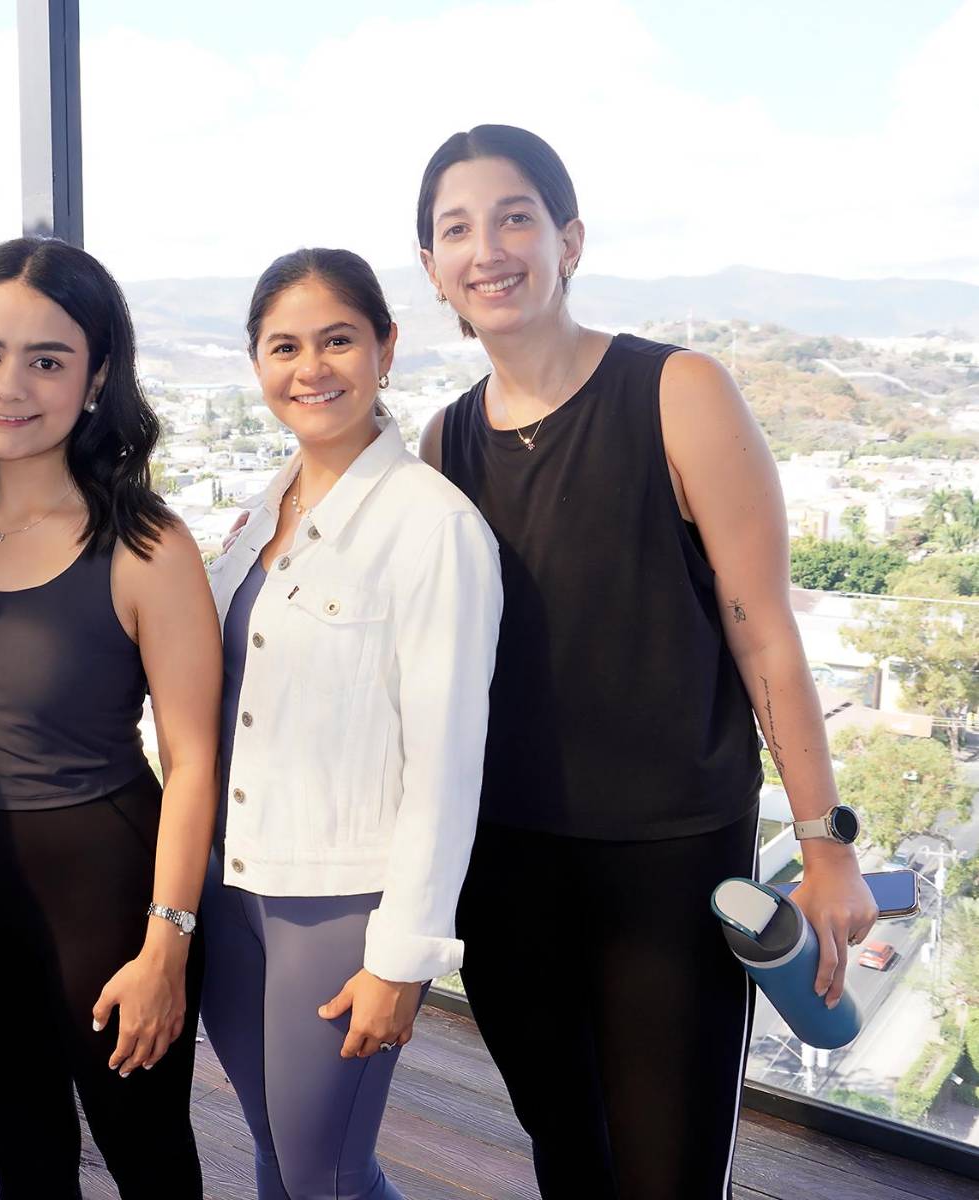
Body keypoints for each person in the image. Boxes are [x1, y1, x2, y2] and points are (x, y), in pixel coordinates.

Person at [414, 125, 879, 1199]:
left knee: (665, 1171)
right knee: (567, 1153)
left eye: (514, 217)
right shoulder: (443, 444)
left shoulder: (678, 391)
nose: (487, 248)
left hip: (670, 860)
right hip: (507, 864)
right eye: (456, 229)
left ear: (568, 239)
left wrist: (825, 846)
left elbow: (762, 627)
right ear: (434, 270)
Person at [0, 237, 220, 1199]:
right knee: (25, 1160)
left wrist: (165, 943)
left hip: (111, 898)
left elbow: (195, 757)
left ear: (94, 380)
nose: (9, 383)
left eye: (47, 359)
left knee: (148, 1158)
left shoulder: (145, 544)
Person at [201, 248, 501, 1200]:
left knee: (326, 1169)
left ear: (386, 349)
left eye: (337, 340)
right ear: (256, 364)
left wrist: (402, 956)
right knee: (273, 1150)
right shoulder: (258, 514)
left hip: (334, 908)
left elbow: (445, 764)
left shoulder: (433, 525)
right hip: (227, 885)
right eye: (283, 346)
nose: (310, 367)